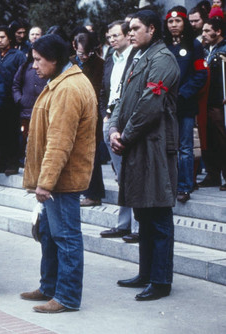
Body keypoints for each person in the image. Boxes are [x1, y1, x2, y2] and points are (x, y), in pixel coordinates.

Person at [20, 34, 97, 314]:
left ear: (54, 59)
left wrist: (46, 182)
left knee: (65, 237)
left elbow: (59, 142)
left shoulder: (67, 88)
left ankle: (66, 296)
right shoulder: (63, 81)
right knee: (51, 235)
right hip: (58, 179)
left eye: (38, 60)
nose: (34, 66)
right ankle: (49, 286)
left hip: (62, 180)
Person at [109, 10, 180, 301]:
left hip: (154, 146)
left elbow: (151, 104)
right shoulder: (138, 57)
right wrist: (114, 127)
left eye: (136, 28)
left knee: (159, 213)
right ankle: (146, 273)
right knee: (143, 212)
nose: (131, 32)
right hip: (138, 145)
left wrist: (124, 136)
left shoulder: (163, 59)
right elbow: (121, 99)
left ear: (152, 29)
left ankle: (160, 280)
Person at [98, 20, 140, 242]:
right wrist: (105, 113)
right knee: (121, 175)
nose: (112, 40)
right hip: (110, 119)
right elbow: (105, 88)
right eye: (109, 36)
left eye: (116, 35)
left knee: (132, 174)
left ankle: (137, 226)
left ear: (126, 35)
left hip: (128, 120)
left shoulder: (137, 56)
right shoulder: (110, 58)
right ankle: (123, 224)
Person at [164, 7, 208, 203]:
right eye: (170, 22)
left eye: (178, 21)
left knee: (185, 148)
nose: (174, 25)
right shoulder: (162, 45)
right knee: (166, 147)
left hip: (184, 104)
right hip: (164, 105)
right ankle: (168, 185)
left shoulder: (194, 45)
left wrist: (182, 93)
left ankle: (184, 186)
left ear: (185, 23)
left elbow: (201, 74)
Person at [70, 32, 106, 207]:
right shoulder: (70, 62)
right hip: (71, 113)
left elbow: (98, 90)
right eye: (80, 53)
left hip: (91, 115)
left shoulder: (99, 64)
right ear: (74, 46)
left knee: (92, 154)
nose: (84, 57)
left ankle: (94, 193)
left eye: (87, 53)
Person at [0, 25, 26, 175]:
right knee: (0, 132)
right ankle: (1, 161)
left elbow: (23, 77)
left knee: (13, 132)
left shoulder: (18, 55)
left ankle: (13, 163)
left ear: (9, 38)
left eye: (2, 37)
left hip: (12, 100)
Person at [200, 18, 226, 190]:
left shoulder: (224, 50)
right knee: (208, 139)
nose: (203, 34)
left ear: (218, 32)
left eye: (207, 31)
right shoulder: (205, 49)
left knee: (222, 139)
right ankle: (213, 174)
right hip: (206, 102)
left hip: (219, 102)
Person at [12, 49, 47, 165]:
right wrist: (19, 99)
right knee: (24, 136)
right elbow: (16, 85)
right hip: (25, 110)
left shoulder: (46, 68)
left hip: (42, 110)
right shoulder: (25, 67)